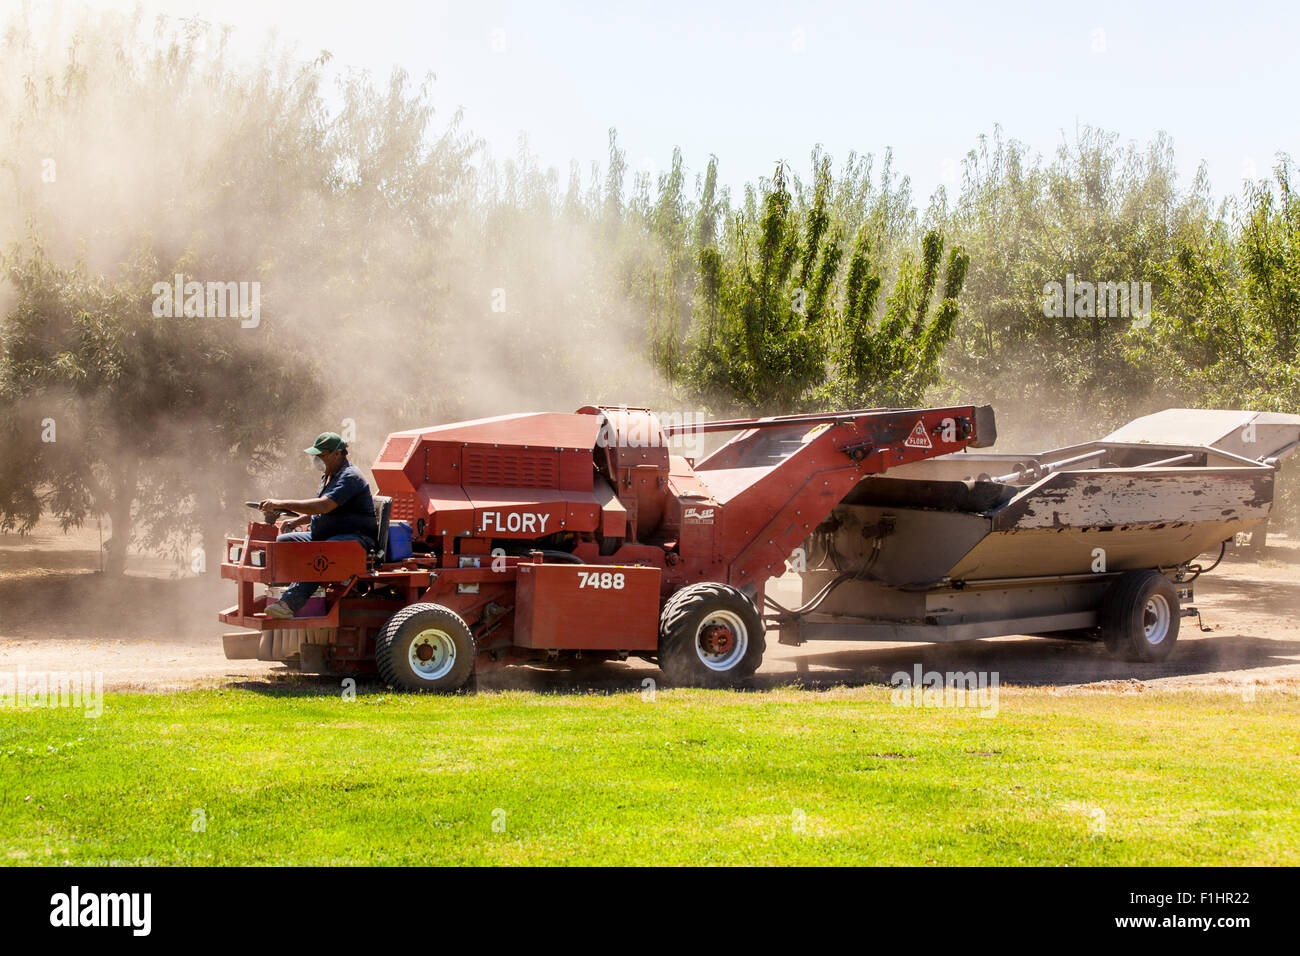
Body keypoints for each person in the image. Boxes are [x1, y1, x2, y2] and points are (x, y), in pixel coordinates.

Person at [260, 432, 377, 619]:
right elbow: (324, 511)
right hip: (329, 535)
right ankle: (280, 590)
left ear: (338, 454)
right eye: (317, 456)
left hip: (355, 539)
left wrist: (281, 503)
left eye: (322, 455)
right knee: (283, 542)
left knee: (321, 554)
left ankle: (290, 603)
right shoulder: (329, 476)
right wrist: (297, 521)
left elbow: (323, 505)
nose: (317, 460)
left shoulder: (350, 477)